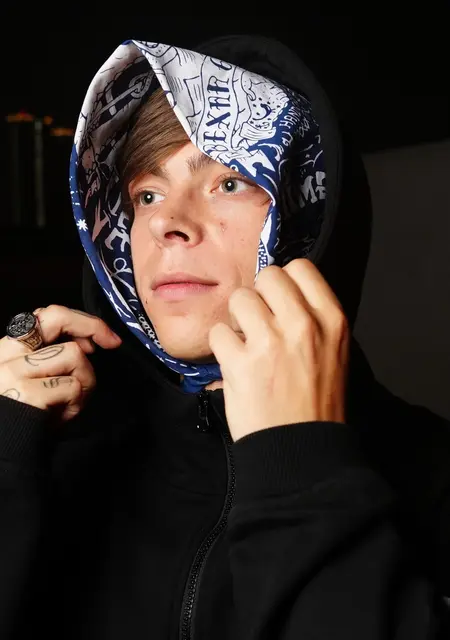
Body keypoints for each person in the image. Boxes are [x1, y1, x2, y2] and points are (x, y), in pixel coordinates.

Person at [0, 35, 449, 639]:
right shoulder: (60, 452)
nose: (166, 222)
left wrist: (301, 459)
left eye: (230, 182)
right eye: (146, 195)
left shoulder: (432, 478)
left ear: (310, 211)